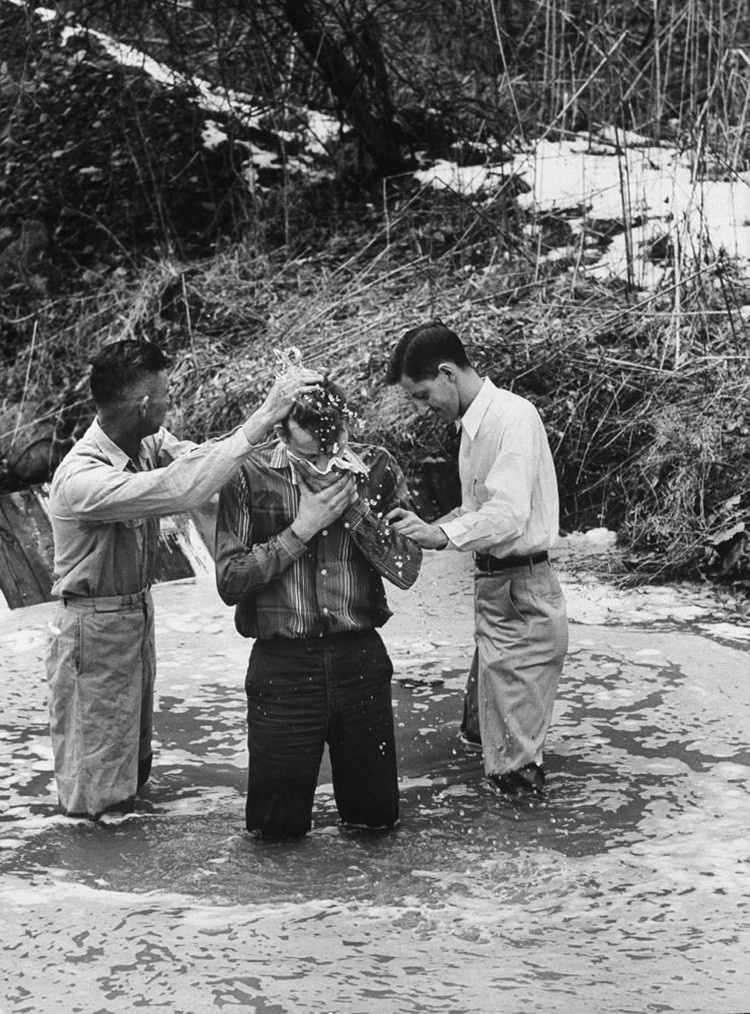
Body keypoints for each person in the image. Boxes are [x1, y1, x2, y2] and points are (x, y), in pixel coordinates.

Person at [46, 338, 323, 820]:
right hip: (94, 631)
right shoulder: (81, 480)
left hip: (133, 619)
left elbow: (197, 459)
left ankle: (127, 875)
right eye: (167, 395)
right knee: (96, 792)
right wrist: (261, 417)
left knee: (131, 767)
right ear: (143, 404)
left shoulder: (147, 441)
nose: (171, 403)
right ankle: (92, 879)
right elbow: (181, 489)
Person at [214, 377, 422, 838]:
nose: (326, 463)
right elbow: (229, 582)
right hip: (282, 667)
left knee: (377, 828)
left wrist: (352, 512)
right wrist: (302, 529)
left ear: (346, 427)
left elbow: (407, 568)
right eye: (312, 455)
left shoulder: (377, 468)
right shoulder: (249, 473)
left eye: (336, 447)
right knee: (274, 836)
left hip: (361, 660)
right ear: (282, 435)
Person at [385, 320, 567, 797]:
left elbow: (507, 515)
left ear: (447, 373)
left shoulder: (513, 417)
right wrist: (425, 527)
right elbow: (477, 509)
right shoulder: (472, 427)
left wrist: (442, 534)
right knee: (475, 736)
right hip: (497, 592)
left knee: (513, 772)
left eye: (423, 395)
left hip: (523, 595)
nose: (425, 408)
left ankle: (528, 856)